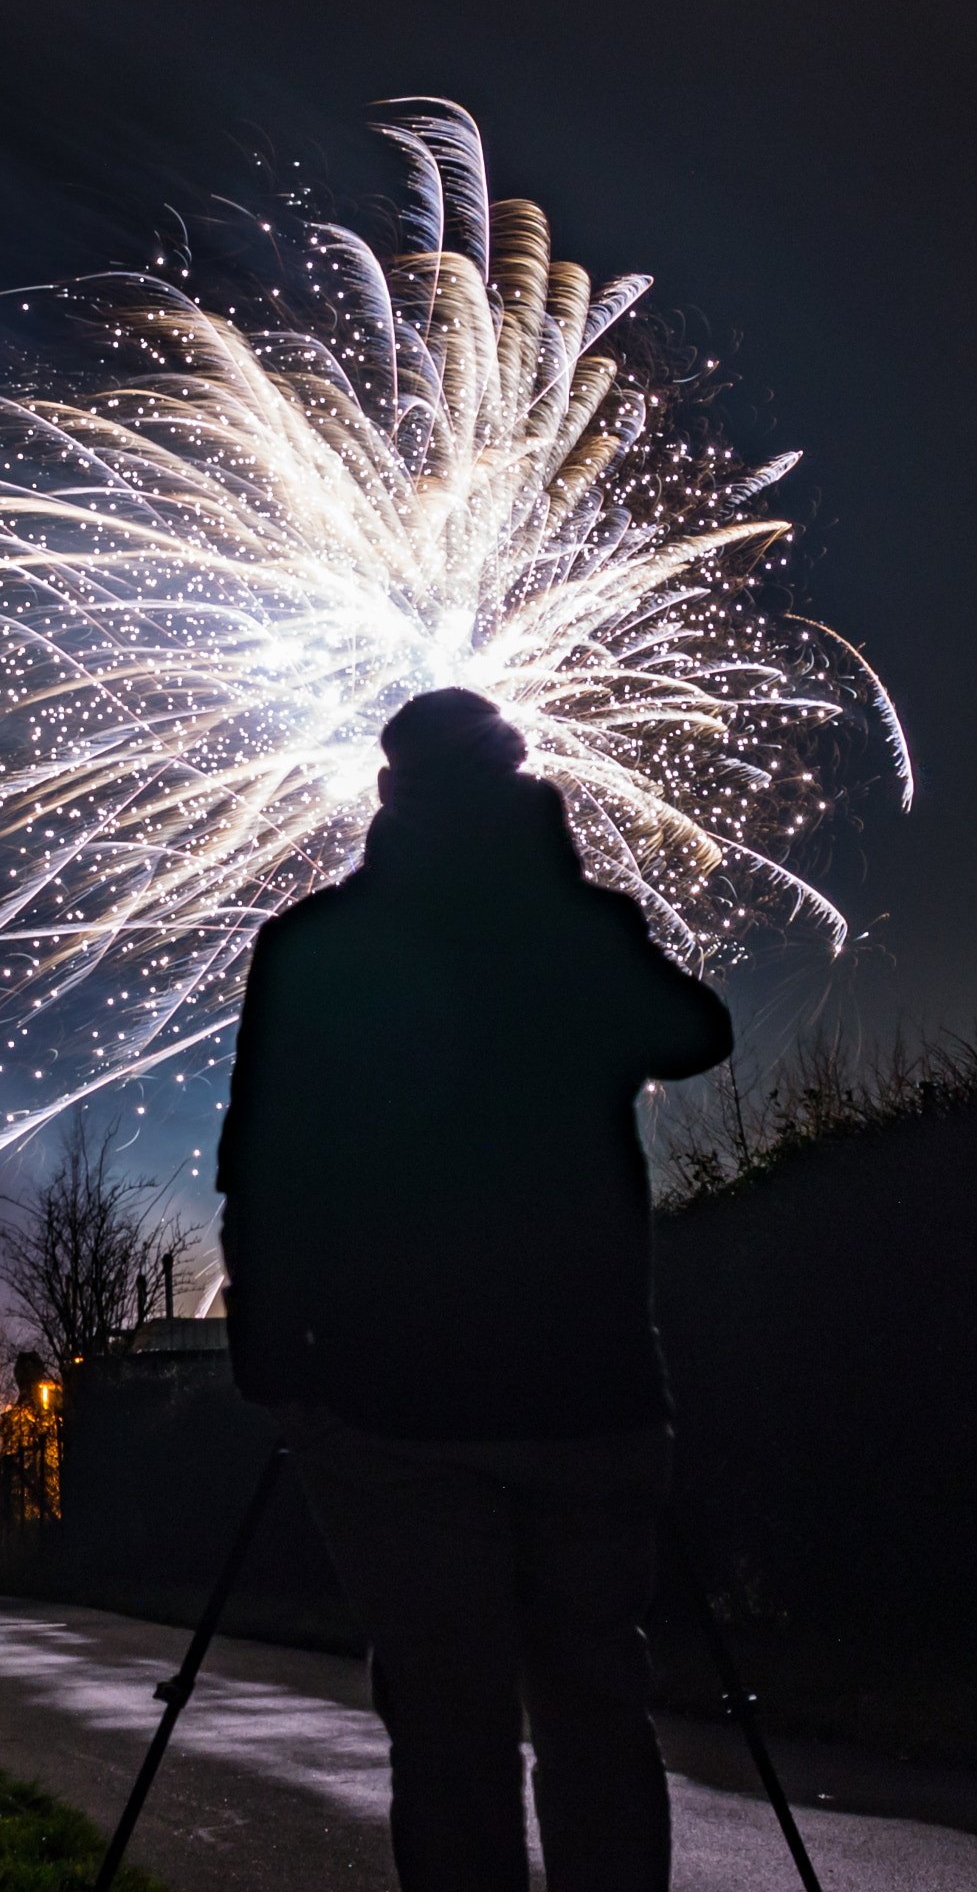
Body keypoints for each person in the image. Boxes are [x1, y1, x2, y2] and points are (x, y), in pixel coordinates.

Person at [217, 688, 733, 1892]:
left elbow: (264, 1162)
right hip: (590, 1391)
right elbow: (694, 1031)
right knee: (598, 1714)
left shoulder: (316, 945)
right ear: (518, 787)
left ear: (389, 799)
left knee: (448, 1733)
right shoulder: (577, 930)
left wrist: (275, 1360)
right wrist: (565, 893)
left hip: (388, 1401)